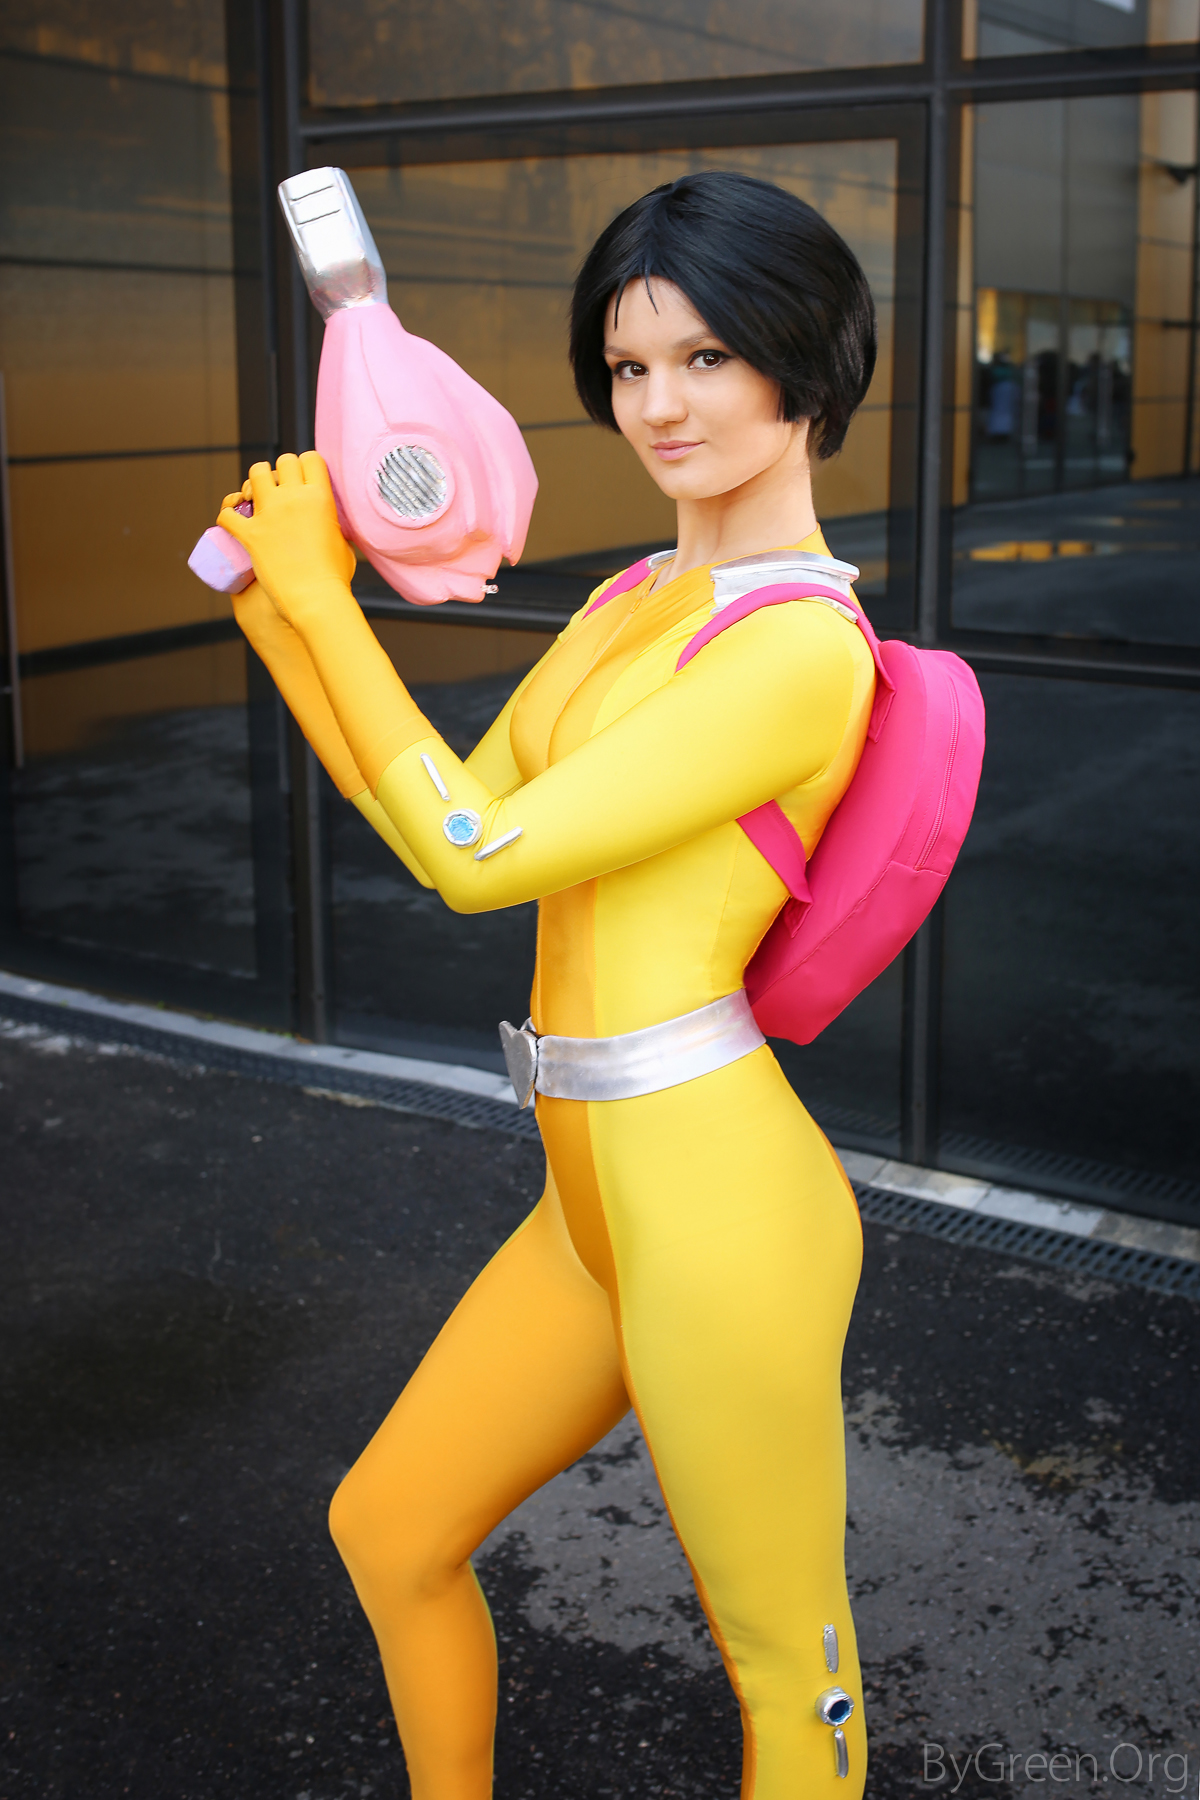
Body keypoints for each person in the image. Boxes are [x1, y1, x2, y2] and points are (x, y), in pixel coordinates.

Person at [220, 169, 878, 1800]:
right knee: (389, 1529)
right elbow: (435, 807)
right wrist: (284, 617)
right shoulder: (627, 599)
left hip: (720, 1209)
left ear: (805, 360)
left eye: (707, 358)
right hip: (588, 1204)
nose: (660, 406)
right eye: (631, 365)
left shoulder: (800, 649)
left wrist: (325, 602)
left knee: (787, 1674)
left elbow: (478, 857)